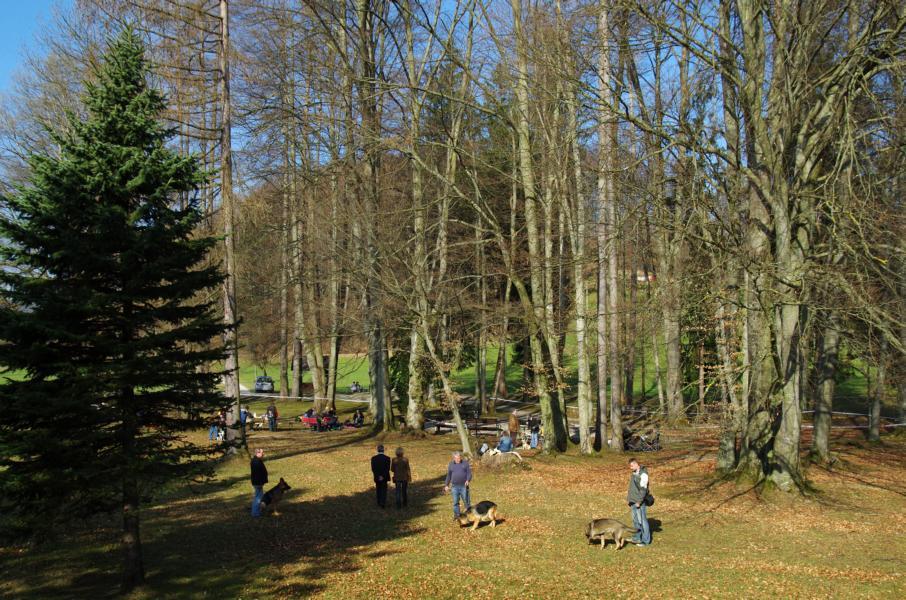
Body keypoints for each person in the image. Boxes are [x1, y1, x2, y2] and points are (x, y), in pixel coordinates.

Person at [627, 457, 652, 546]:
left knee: (643, 521)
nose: (630, 468)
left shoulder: (643, 474)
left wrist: (639, 501)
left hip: (639, 502)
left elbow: (643, 490)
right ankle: (637, 538)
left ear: (636, 464)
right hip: (633, 501)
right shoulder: (634, 473)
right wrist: (630, 500)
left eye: (631, 465)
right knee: (636, 521)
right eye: (630, 466)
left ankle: (645, 541)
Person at [444, 450, 472, 521]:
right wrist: (446, 485)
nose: (458, 459)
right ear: (453, 458)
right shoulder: (451, 464)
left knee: (467, 502)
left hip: (464, 486)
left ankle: (469, 515)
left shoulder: (465, 463)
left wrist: (467, 480)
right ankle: (457, 516)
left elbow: (469, 473)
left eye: (459, 458)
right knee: (455, 502)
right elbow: (449, 475)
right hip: (454, 487)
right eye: (457, 458)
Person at [250, 448, 268, 517]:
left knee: (259, 497)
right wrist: (261, 482)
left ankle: (257, 512)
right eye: (261, 453)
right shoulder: (256, 461)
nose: (263, 454)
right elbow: (258, 473)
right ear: (257, 453)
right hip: (258, 482)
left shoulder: (257, 460)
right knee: (258, 498)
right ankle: (255, 513)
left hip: (258, 482)